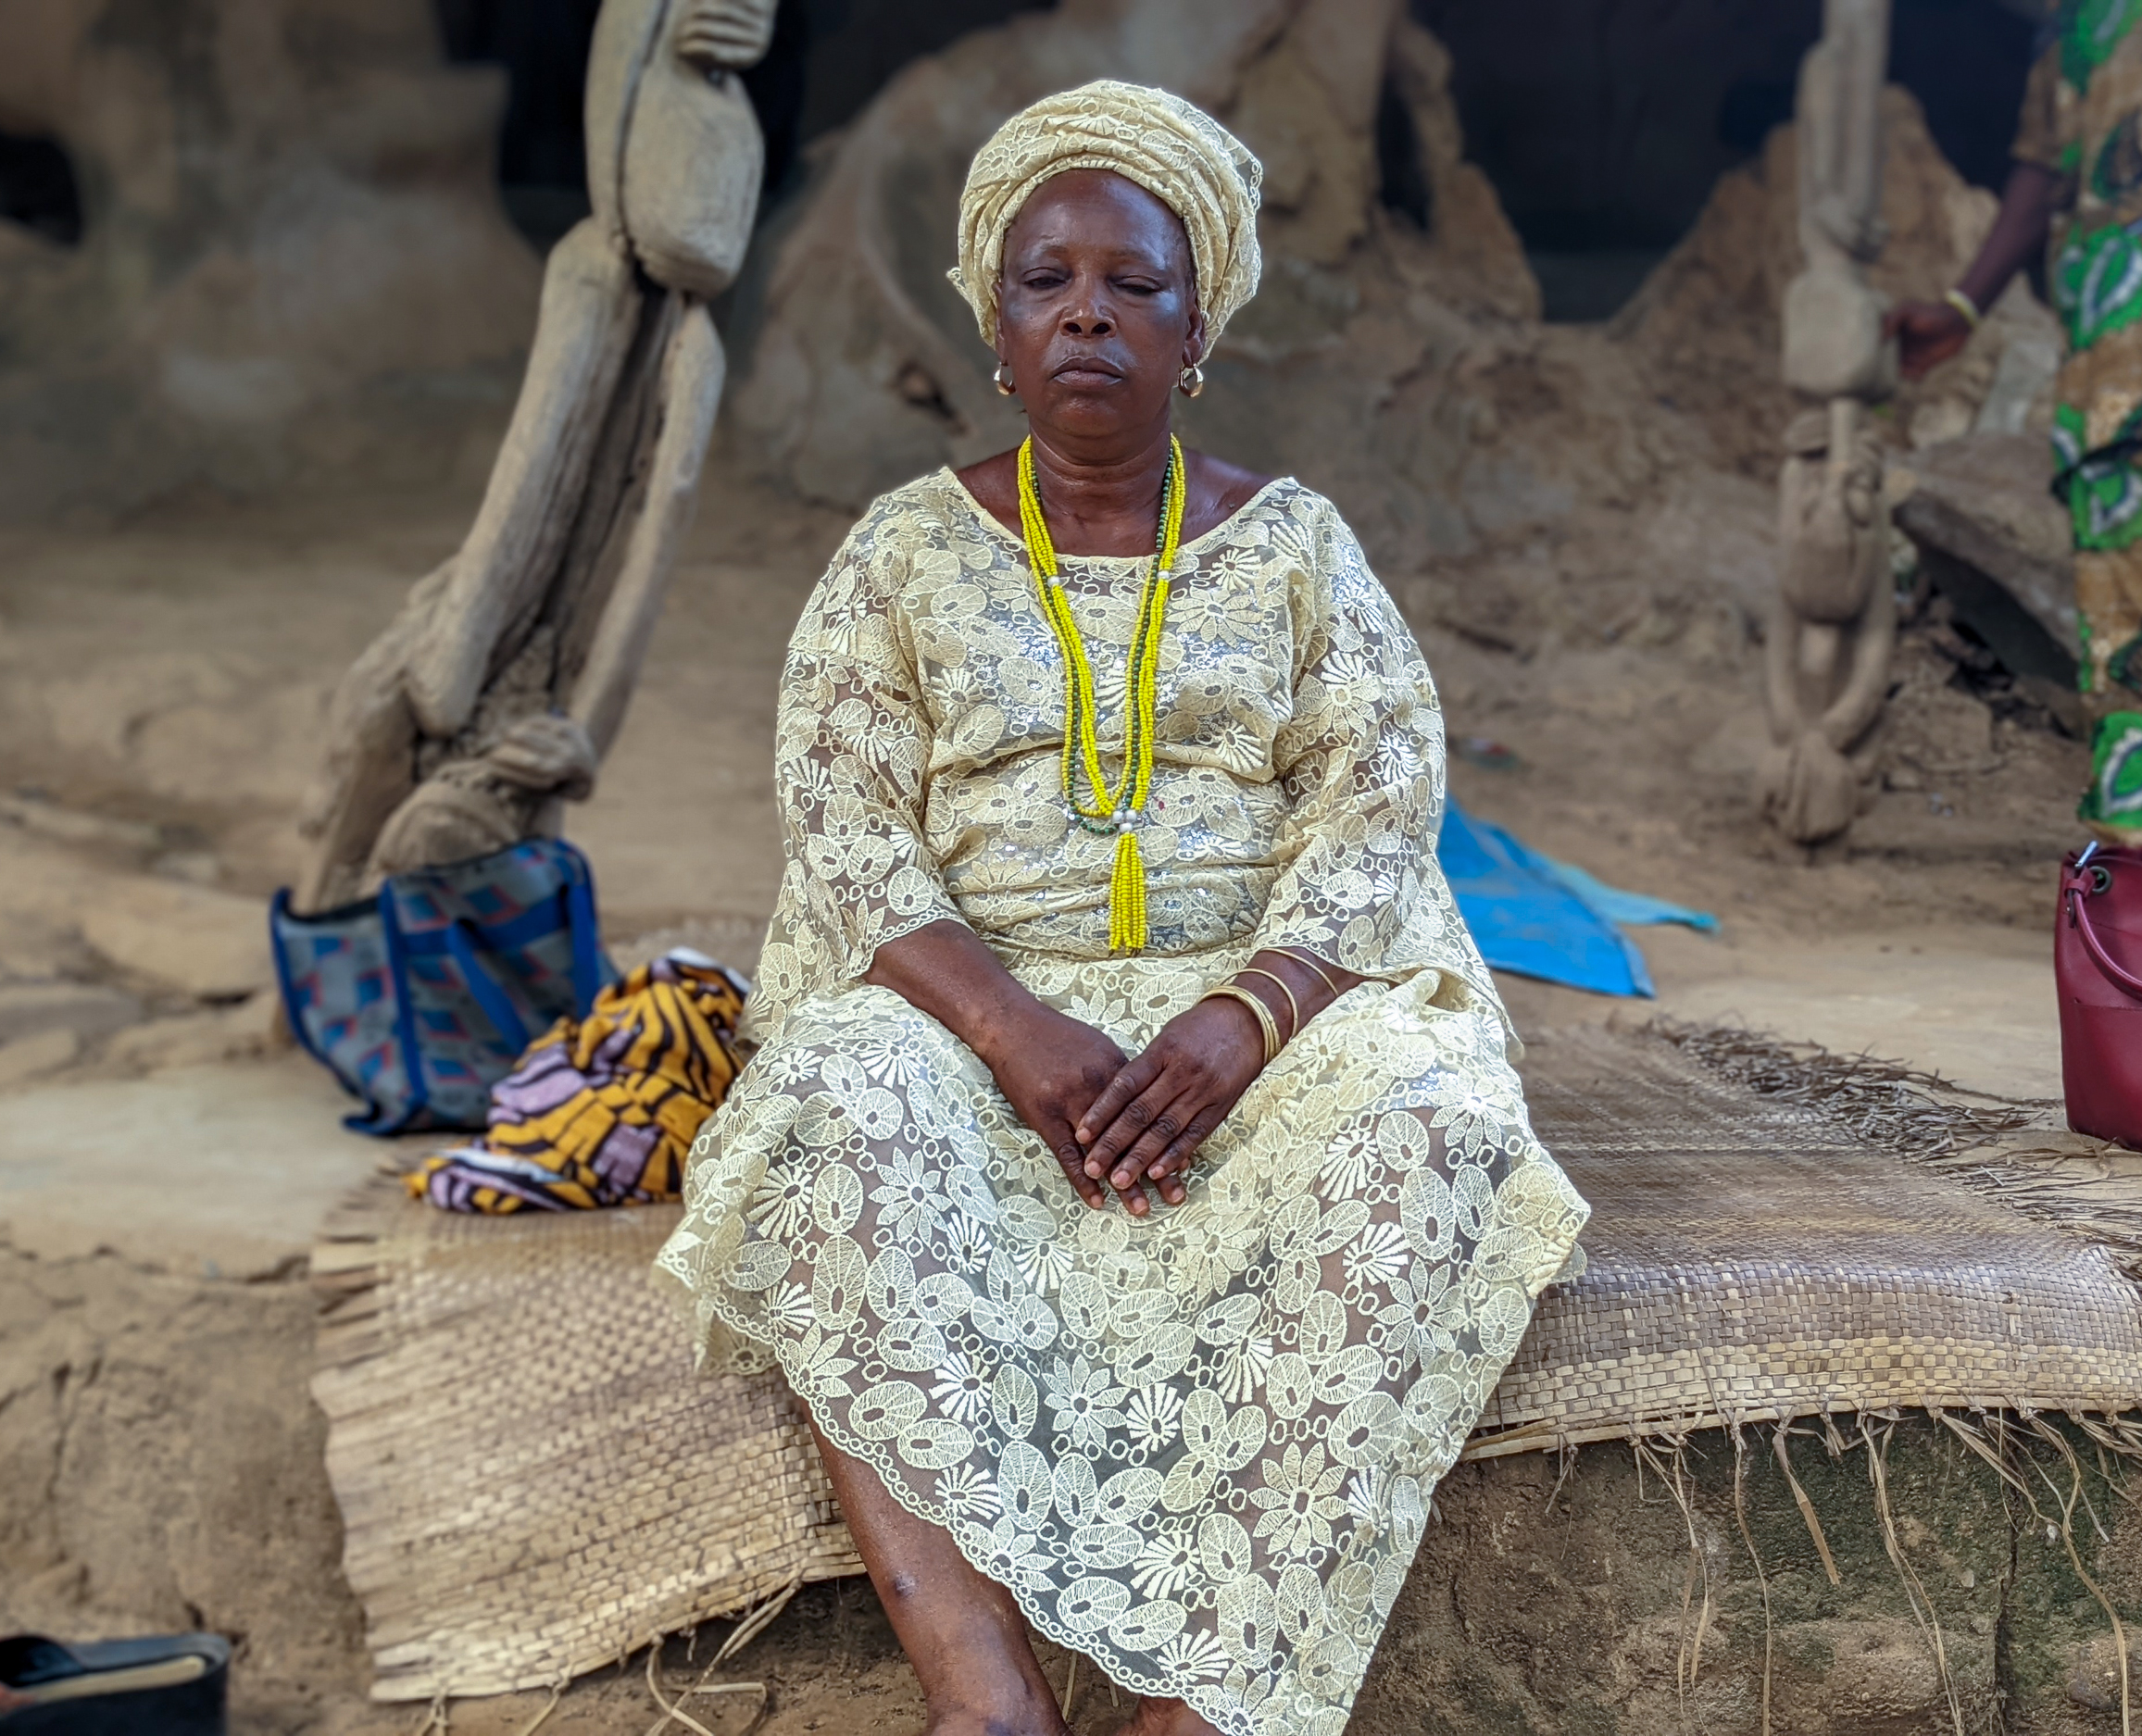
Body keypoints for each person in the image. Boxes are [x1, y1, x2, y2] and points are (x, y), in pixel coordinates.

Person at [653, 81, 1589, 1736]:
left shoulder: (1299, 549)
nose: (1088, 309)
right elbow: (847, 830)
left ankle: (1210, 1705)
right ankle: (986, 1696)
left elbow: (1380, 801)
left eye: (1134, 284)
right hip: (972, 1007)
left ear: (1196, 330)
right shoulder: (897, 556)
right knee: (827, 1108)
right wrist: (1015, 1031)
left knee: (1432, 1114)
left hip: (1263, 1005)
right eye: (1046, 282)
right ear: (998, 336)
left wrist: (1249, 1017)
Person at [1892, 0, 2142, 845]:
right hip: (2131, 387)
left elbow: (2039, 172)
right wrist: (1962, 305)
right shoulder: (2078, 27)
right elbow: (2043, 165)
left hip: (2135, 385)